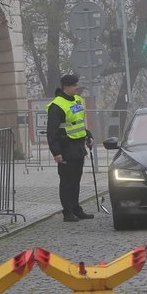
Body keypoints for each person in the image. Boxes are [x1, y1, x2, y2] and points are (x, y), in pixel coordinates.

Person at [46, 73, 95, 222]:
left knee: (76, 180)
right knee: (67, 181)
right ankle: (67, 212)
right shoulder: (56, 105)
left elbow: (78, 122)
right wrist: (56, 152)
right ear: (66, 87)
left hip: (79, 146)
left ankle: (76, 208)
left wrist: (88, 135)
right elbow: (52, 131)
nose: (77, 87)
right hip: (65, 147)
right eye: (74, 85)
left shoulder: (77, 100)